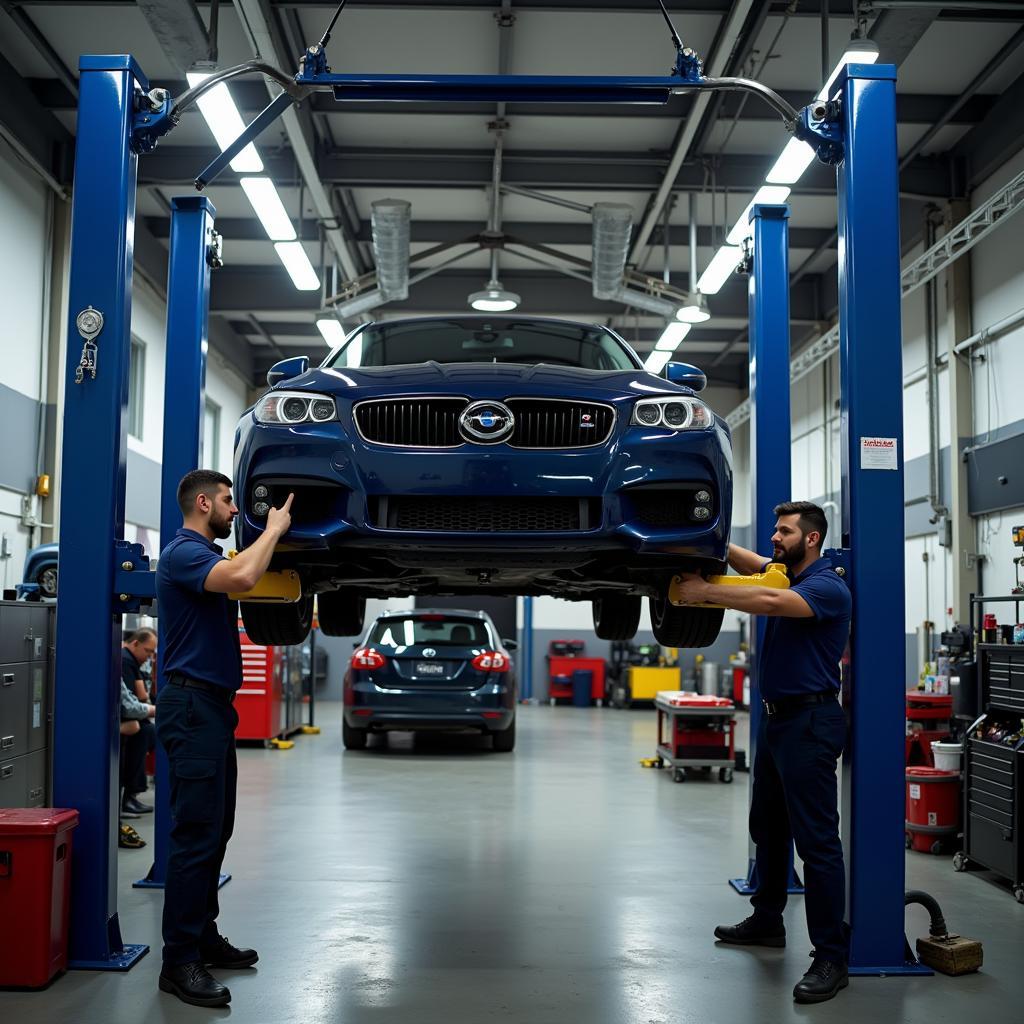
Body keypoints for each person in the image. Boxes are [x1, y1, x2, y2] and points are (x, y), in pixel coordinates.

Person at [672, 501, 852, 1004]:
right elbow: (755, 569)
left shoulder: (827, 588)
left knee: (817, 844)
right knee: (768, 827)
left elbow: (769, 602)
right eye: (775, 531)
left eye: (784, 531)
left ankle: (831, 956)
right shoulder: (786, 576)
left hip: (811, 722)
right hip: (779, 721)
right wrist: (710, 537)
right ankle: (768, 919)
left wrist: (705, 593)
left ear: (810, 539)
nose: (775, 538)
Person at [155, 469, 293, 1009]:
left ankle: (203, 937)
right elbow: (240, 579)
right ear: (204, 502)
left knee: (216, 831)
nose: (237, 511)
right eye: (231, 502)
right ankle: (179, 963)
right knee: (194, 838)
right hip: (191, 707)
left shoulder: (205, 555)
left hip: (211, 708)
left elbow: (246, 576)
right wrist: (275, 528)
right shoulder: (183, 552)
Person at [121, 628, 158, 816]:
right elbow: (130, 702)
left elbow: (143, 694)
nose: (150, 656)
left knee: (149, 731)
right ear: (135, 643)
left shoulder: (132, 660)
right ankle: (129, 795)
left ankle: (132, 794)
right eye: (148, 651)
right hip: (123, 719)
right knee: (145, 732)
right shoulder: (125, 660)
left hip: (131, 716)